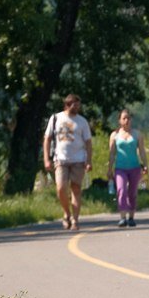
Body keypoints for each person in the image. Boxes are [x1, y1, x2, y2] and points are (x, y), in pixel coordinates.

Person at [42, 94, 92, 231]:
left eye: (78, 105)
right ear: (67, 104)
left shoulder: (82, 121)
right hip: (60, 159)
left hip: (78, 159)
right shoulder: (56, 118)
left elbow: (88, 142)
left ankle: (75, 219)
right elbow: (47, 139)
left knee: (76, 189)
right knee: (60, 187)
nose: (77, 108)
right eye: (74, 105)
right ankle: (67, 213)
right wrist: (46, 159)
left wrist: (89, 160)